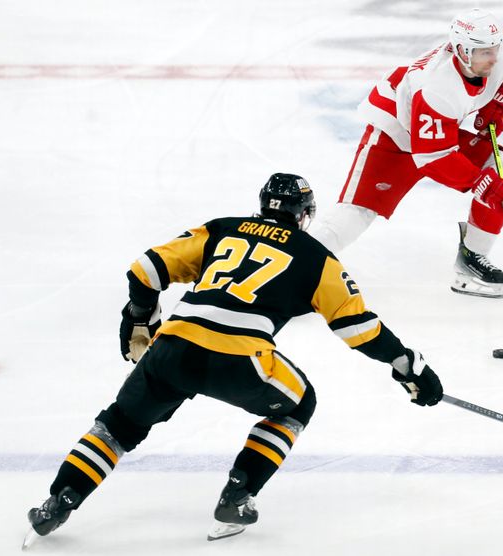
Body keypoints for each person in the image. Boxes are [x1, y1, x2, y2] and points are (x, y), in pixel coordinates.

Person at [24, 173, 443, 546]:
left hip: (173, 348)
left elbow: (146, 269)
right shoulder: (317, 257)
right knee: (298, 405)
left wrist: (139, 315)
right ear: (304, 214)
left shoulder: (222, 229)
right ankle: (237, 496)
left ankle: (58, 501)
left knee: (118, 426)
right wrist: (406, 364)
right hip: (240, 361)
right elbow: (358, 329)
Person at [311, 8, 503, 299]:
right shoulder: (437, 86)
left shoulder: (501, 50)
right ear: (462, 51)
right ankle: (291, 267)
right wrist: (484, 186)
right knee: (357, 213)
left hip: (438, 133)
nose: (493, 58)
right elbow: (434, 158)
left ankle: (471, 261)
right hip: (396, 133)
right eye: (482, 53)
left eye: (494, 49)